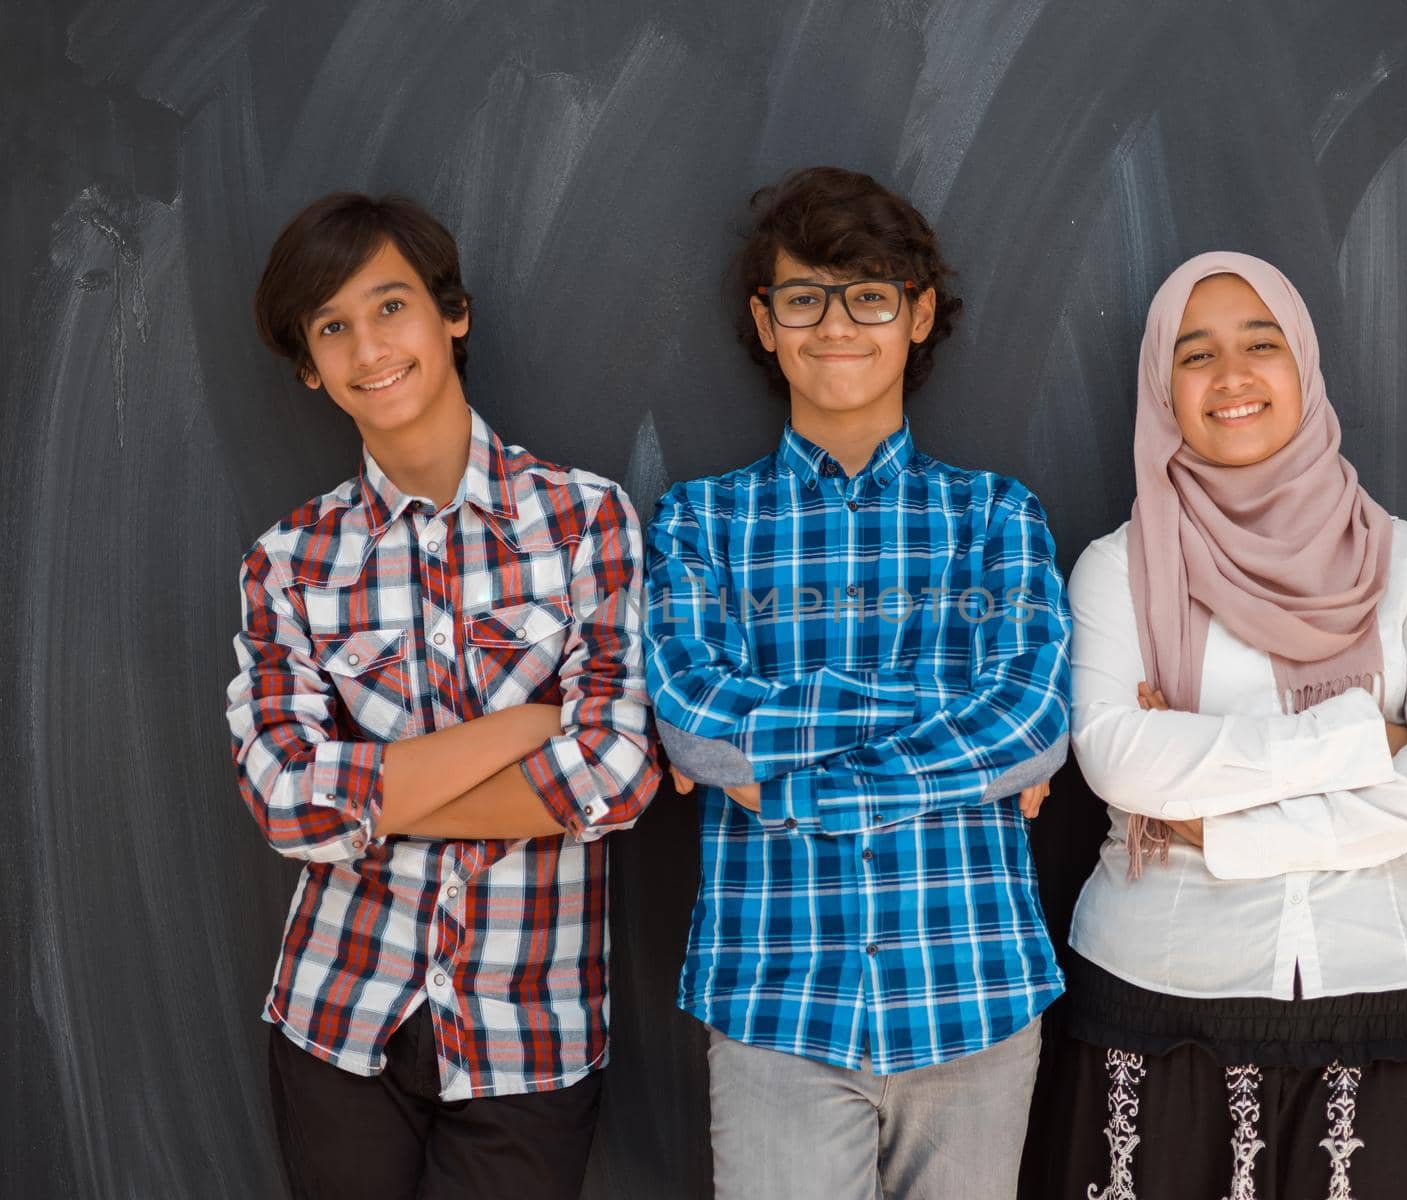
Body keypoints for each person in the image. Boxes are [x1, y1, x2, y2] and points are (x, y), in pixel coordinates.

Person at [644, 165, 1073, 1200]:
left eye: (869, 295)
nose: (836, 325)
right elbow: (697, 720)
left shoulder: (995, 516)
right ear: (766, 320)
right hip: (775, 1003)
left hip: (969, 992)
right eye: (804, 298)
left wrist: (791, 781)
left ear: (917, 315)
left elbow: (1027, 722)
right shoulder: (701, 522)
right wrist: (932, 717)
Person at [225, 192, 659, 1199]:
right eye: (331, 328)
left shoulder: (583, 520)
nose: (368, 347)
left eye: (390, 307)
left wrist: (373, 807)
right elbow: (285, 806)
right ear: (308, 364)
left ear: (450, 313)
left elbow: (618, 773)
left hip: (529, 1028)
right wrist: (522, 725)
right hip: (338, 1018)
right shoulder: (289, 562)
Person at [1057, 251, 1407, 1198]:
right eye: (1195, 354)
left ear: (1303, 361)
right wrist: (1356, 744)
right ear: (1162, 388)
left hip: (1373, 995)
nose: (1232, 376)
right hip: (1154, 996)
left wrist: (1224, 833)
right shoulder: (1118, 569)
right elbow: (1120, 758)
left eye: (1261, 344)